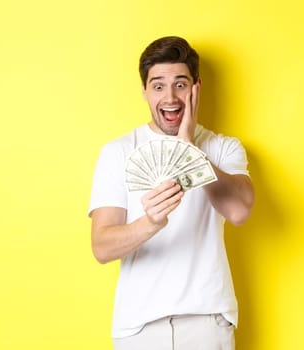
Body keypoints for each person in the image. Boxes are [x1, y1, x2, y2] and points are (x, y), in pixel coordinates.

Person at [87, 36, 255, 349]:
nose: (170, 97)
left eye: (180, 84)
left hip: (207, 320)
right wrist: (149, 222)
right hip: (139, 325)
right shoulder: (118, 152)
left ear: (196, 87)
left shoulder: (223, 148)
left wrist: (189, 147)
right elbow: (102, 246)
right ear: (144, 91)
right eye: (159, 85)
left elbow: (240, 211)